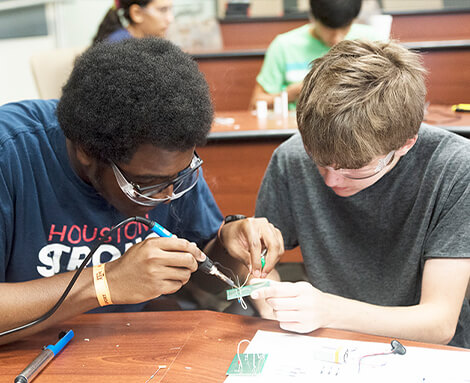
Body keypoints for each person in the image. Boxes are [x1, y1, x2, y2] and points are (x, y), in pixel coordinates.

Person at [0, 38, 283, 345]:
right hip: (27, 360)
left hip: (131, 349)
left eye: (180, 175)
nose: (167, 195)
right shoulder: (11, 154)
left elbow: (204, 279)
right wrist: (106, 281)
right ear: (86, 151)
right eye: (146, 184)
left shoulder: (167, 166)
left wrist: (226, 246)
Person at [252, 40, 470, 348]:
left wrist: (328, 311)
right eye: (319, 162)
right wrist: (267, 296)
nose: (331, 180)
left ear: (405, 144)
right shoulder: (292, 157)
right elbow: (259, 262)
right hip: (325, 344)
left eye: (354, 169)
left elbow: (439, 322)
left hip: (426, 352)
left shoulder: (456, 169)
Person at [250, 0, 382, 109]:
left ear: (354, 20)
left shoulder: (371, 41)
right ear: (313, 17)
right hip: (298, 132)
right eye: (329, 29)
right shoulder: (284, 45)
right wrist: (290, 94)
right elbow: (256, 103)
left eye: (344, 27)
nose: (336, 38)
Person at [92, 0, 173, 45]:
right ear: (137, 13)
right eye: (163, 10)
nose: (170, 19)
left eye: (170, 9)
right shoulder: (117, 49)